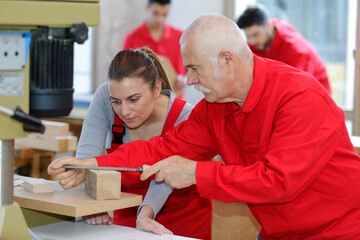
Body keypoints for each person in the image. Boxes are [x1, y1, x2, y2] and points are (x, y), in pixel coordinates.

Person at [48, 14, 360, 239]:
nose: (190, 81)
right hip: (279, 231)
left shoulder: (299, 97)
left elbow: (278, 181)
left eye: (195, 69)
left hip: (338, 231)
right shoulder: (214, 108)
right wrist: (93, 164)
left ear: (227, 60)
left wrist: (195, 173)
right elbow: (165, 148)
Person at [48, 47, 212, 240]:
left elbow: (165, 175)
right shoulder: (104, 97)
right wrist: (89, 201)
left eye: (133, 99)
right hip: (127, 211)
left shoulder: (186, 116)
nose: (124, 111)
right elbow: (86, 159)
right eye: (116, 101)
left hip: (184, 220)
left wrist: (145, 214)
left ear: (157, 89)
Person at [237, 4, 332, 94]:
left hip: (313, 96)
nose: (252, 41)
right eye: (248, 37)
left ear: (268, 25)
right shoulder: (260, 41)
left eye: (256, 35)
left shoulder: (295, 51)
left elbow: (298, 89)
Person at [123, 0, 186, 97]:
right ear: (147, 8)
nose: (160, 19)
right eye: (156, 13)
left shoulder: (181, 37)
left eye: (164, 14)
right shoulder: (132, 39)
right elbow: (125, 74)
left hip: (175, 102)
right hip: (145, 103)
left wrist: (184, 80)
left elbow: (191, 70)